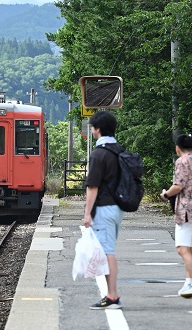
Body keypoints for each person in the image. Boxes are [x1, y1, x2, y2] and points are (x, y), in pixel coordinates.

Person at [83, 111, 126, 310]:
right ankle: (112, 294)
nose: (91, 130)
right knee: (108, 249)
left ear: (98, 129)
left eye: (92, 127)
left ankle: (112, 296)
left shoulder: (99, 153)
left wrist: (87, 213)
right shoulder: (120, 150)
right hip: (117, 207)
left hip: (105, 208)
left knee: (107, 251)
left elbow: (93, 186)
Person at [161, 134, 192, 298]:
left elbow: (178, 185)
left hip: (187, 211)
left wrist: (166, 194)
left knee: (182, 249)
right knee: (187, 247)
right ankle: (188, 282)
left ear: (177, 149)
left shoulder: (182, 162)